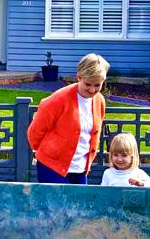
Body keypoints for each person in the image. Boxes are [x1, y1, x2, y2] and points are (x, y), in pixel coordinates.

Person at [27, 54, 109, 184]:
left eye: (97, 85)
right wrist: (50, 153)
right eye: (88, 84)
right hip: (52, 167)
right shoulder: (58, 100)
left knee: (79, 204)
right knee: (56, 204)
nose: (92, 89)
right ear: (79, 77)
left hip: (81, 168)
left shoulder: (100, 101)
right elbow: (34, 133)